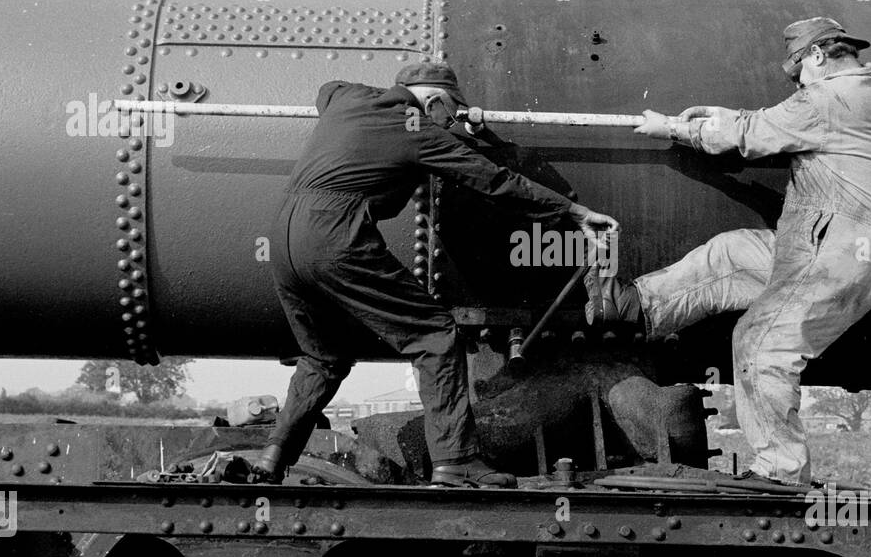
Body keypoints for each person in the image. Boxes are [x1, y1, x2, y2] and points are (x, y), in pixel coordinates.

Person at [254, 61, 619, 487]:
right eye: (449, 110)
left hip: (283, 237)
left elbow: (326, 86)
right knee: (436, 337)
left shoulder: (345, 98)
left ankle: (272, 456)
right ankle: (456, 460)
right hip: (336, 236)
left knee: (323, 357)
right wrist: (571, 211)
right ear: (435, 101)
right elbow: (494, 180)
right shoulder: (418, 131)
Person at [587, 17, 871, 483]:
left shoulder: (835, 96)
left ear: (816, 56)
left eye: (797, 74)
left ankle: (780, 470)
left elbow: (755, 132)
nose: (797, 83)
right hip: (821, 244)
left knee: (760, 343)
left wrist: (672, 128)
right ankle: (637, 304)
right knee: (732, 255)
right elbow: (767, 123)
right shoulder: (857, 92)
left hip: (838, 254)